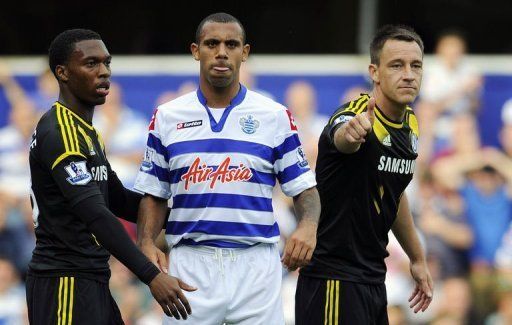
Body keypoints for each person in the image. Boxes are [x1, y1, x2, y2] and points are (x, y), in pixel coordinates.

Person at [134, 12, 320, 324]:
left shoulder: (274, 115)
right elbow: (153, 194)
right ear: (196, 51)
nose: (222, 52)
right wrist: (146, 242)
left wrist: (307, 227)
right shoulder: (167, 117)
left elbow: (304, 189)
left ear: (244, 53)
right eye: (212, 43)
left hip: (257, 265)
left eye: (231, 44)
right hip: (190, 265)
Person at [26, 29, 194, 324]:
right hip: (64, 282)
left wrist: (192, 215)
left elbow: (118, 199)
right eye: (91, 64)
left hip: (91, 279)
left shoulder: (87, 131)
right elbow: (96, 214)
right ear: (62, 73)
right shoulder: (60, 132)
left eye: (107, 63)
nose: (104, 72)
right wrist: (151, 275)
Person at [297, 25, 433, 324]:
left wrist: (417, 258)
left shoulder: (410, 123)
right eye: (396, 65)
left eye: (416, 65)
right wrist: (352, 133)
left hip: (373, 280)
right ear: (375, 72)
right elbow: (341, 136)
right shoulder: (356, 114)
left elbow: (393, 194)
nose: (408, 74)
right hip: (333, 279)